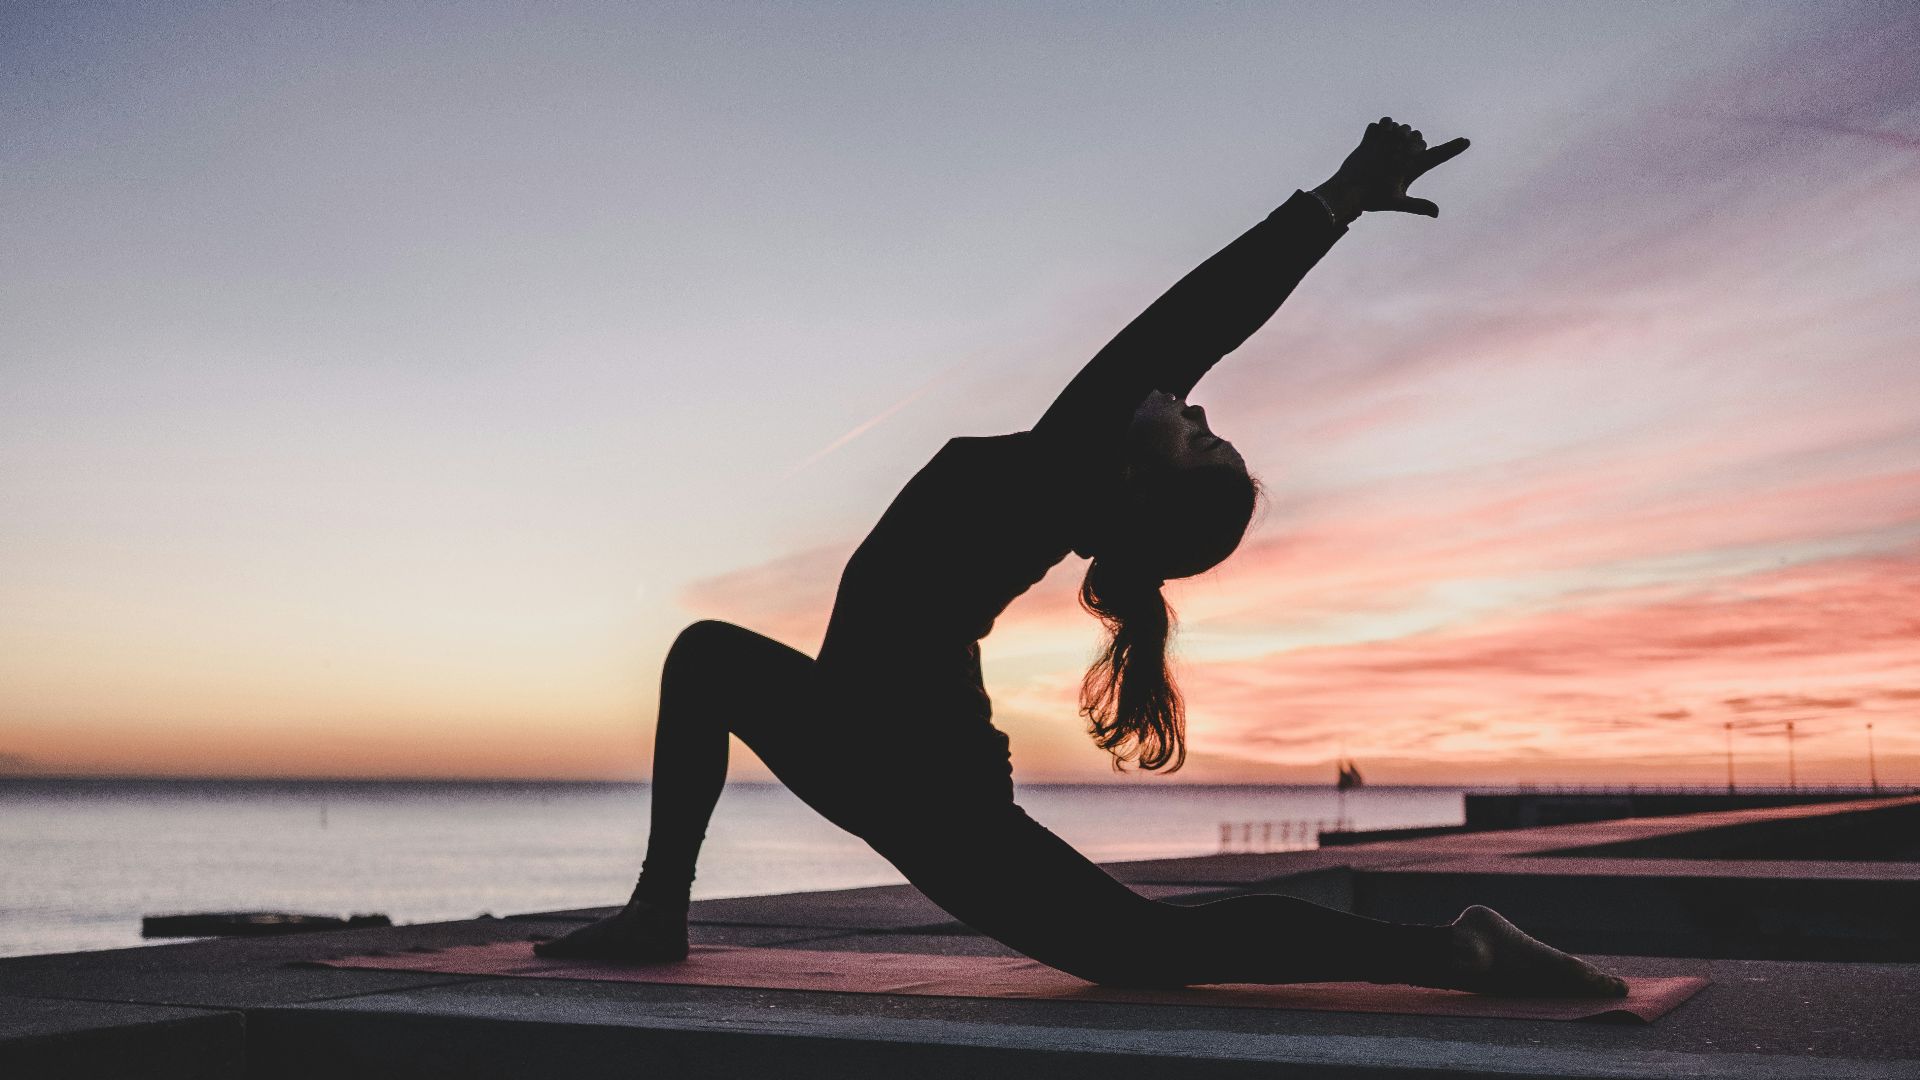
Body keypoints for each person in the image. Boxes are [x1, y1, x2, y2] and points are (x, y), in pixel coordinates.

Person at [538, 118, 1628, 997]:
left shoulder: (1068, 466)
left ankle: (1455, 951)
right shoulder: (1063, 482)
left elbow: (1196, 319)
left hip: (915, 774)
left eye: (1198, 434)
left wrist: (1336, 202)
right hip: (866, 738)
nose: (1191, 403)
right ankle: (658, 911)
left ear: (1140, 487)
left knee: (1143, 955)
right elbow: (1188, 341)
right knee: (706, 658)